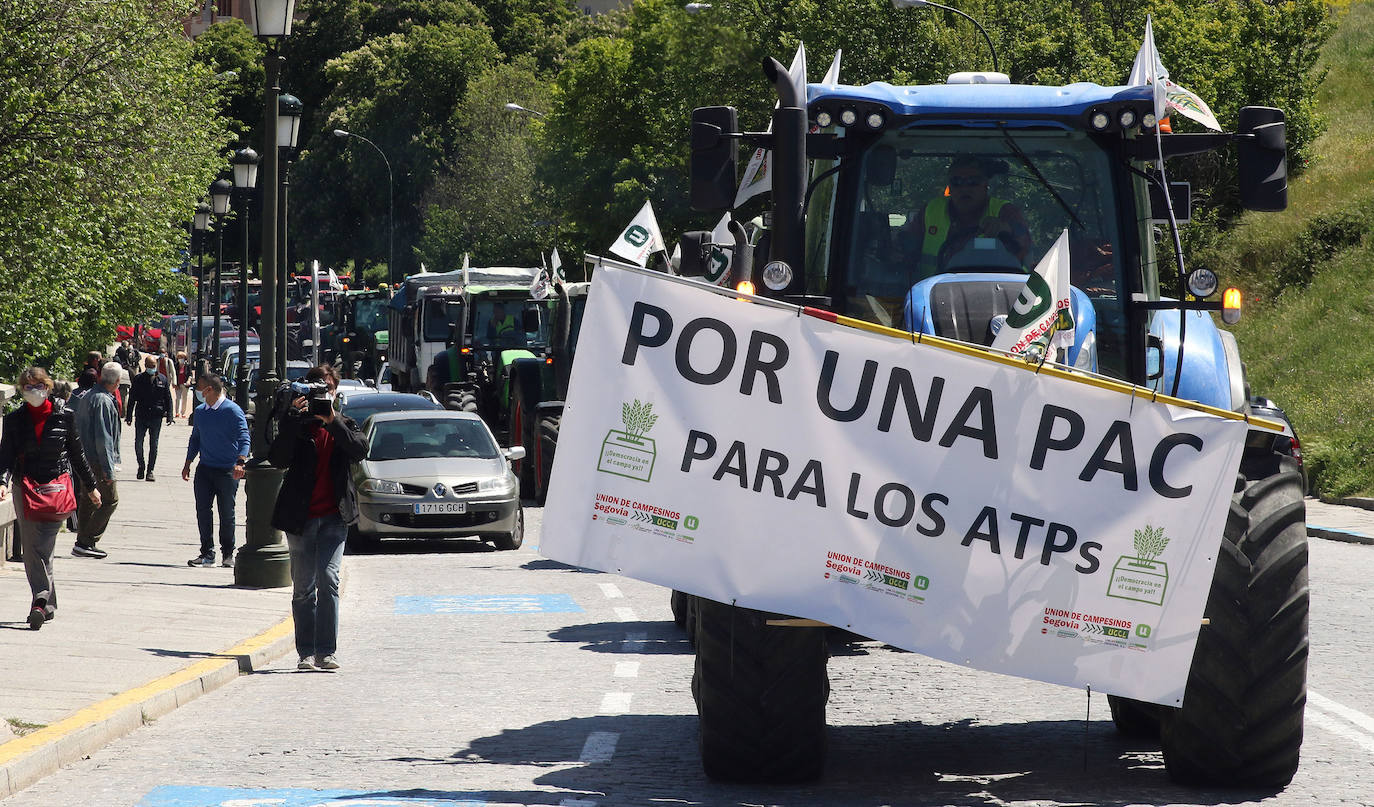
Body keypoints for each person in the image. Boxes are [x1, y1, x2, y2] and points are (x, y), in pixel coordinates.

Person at [268, 364, 366, 671]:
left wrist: (333, 421)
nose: (325, 395)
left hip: (335, 518)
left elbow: (360, 450)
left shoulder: (345, 423)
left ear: (336, 393)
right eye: (319, 390)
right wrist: (292, 420)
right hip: (301, 517)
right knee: (304, 587)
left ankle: (326, 651)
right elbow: (277, 459)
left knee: (329, 579)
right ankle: (305, 653)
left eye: (330, 390)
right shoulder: (297, 424)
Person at [0, 368, 101, 629]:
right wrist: (3, 482)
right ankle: (47, 604)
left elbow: (77, 454)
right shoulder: (15, 420)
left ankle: (40, 599)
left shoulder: (64, 416)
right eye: (28, 386)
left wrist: (91, 486)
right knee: (36, 549)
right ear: (22, 390)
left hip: (56, 487)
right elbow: (6, 456)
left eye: (38, 385)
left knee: (41, 547)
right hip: (26, 488)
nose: (34, 391)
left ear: (48, 386)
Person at [901, 156, 1032, 278]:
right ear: (950, 187)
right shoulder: (931, 210)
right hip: (931, 296)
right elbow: (904, 250)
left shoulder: (1004, 211)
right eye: (957, 182)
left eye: (973, 182)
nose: (965, 188)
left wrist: (1006, 228)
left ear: (985, 185)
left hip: (1001, 294)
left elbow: (1024, 240)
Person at [183, 374, 250, 568]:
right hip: (205, 468)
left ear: (209, 390)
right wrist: (188, 462)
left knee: (226, 512)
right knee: (203, 511)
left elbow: (244, 437)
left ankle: (228, 553)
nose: (197, 392)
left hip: (227, 470)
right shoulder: (201, 411)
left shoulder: (232, 410)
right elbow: (195, 438)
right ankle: (207, 552)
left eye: (200, 388)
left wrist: (241, 461)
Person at [73, 363, 122, 559]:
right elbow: (103, 438)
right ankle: (87, 539)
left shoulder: (89, 395)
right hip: (96, 460)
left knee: (88, 500)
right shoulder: (102, 400)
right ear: (117, 382)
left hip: (85, 457)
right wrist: (108, 470)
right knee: (110, 500)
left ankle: (82, 543)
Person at [126, 354, 174, 481]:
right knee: (138, 443)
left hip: (156, 416)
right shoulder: (138, 379)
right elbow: (132, 398)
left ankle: (150, 470)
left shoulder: (162, 379)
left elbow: (168, 398)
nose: (151, 368)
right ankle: (141, 466)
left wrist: (170, 415)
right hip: (141, 414)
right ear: (145, 366)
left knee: (154, 444)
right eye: (148, 366)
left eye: (153, 366)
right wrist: (129, 415)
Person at [172, 350, 192, 419]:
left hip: (185, 384)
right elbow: (173, 374)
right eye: (179, 357)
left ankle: (183, 413)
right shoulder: (176, 365)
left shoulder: (187, 365)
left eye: (182, 357)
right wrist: (174, 383)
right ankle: (177, 412)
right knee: (178, 398)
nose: (180, 359)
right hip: (178, 384)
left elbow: (190, 374)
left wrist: (189, 381)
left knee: (184, 399)